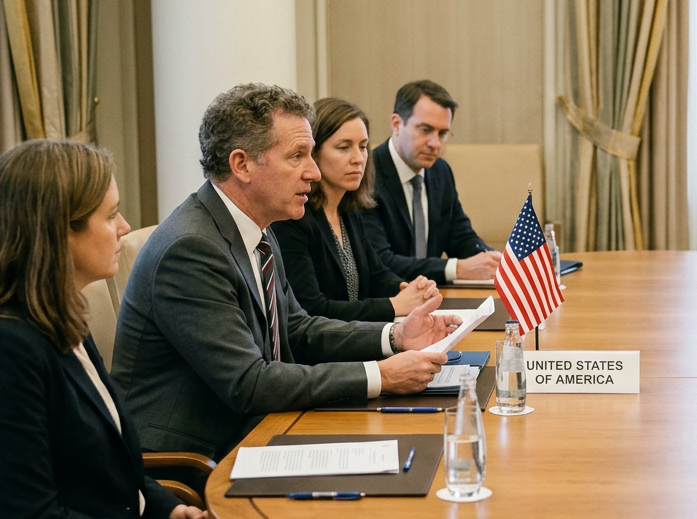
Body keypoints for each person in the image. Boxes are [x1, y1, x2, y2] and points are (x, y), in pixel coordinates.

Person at [0, 140, 352, 519]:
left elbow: (112, 472)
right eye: (109, 215)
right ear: (57, 232)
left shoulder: (58, 321)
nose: (124, 228)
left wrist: (168, 511)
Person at [115, 84, 458, 461]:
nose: (312, 172)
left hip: (263, 425)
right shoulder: (191, 249)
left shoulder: (256, 226)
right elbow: (249, 382)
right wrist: (381, 375)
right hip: (200, 454)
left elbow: (298, 328)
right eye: (297, 156)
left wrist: (395, 336)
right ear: (241, 164)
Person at [272, 97, 441, 322]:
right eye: (344, 148)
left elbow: (376, 274)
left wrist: (409, 289)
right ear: (314, 153)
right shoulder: (293, 219)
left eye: (363, 147)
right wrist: (394, 305)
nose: (358, 158)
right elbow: (312, 309)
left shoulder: (350, 212)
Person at [364, 79, 501, 284]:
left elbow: (461, 238)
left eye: (443, 133)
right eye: (425, 130)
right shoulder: (367, 175)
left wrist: (493, 260)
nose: (435, 143)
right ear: (396, 124)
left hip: (435, 297)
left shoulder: (440, 171)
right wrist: (458, 268)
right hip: (387, 300)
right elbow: (380, 261)